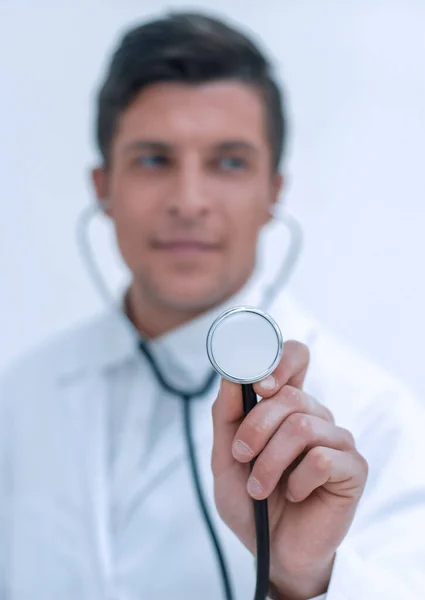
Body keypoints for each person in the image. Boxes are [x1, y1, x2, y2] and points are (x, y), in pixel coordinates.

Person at [1, 10, 424, 600]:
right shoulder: (21, 399)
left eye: (228, 162)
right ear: (103, 188)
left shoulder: (373, 418)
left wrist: (303, 577)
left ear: (274, 192)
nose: (189, 200)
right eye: (154, 160)